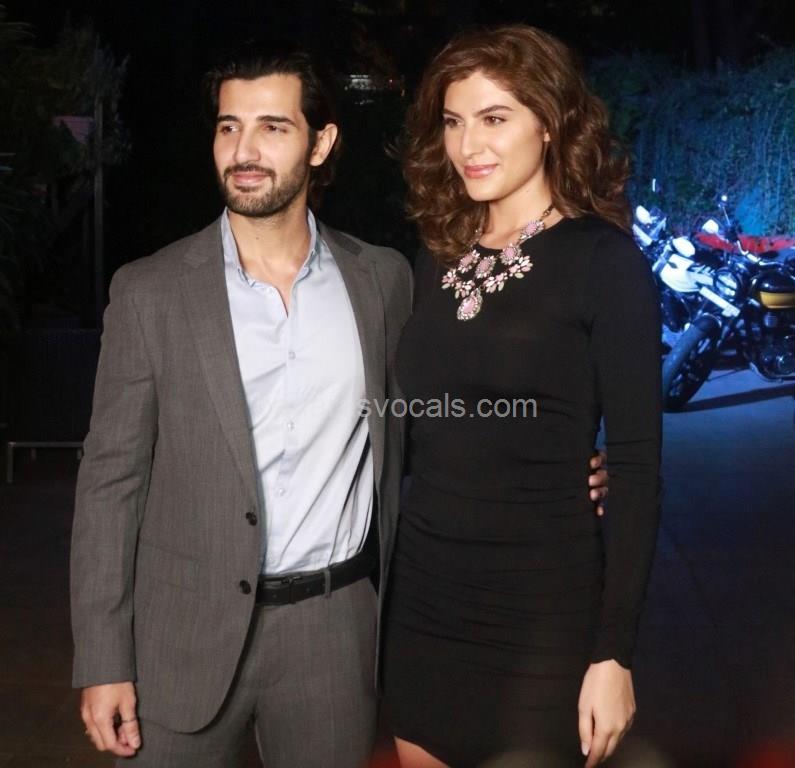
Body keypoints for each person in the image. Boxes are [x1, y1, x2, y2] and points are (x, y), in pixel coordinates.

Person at [70, 40, 610, 768]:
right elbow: (109, 484)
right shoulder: (150, 292)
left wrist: (563, 459)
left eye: (273, 127)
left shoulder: (382, 282)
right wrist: (103, 657)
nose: (244, 151)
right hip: (182, 635)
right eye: (229, 127)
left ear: (321, 144)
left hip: (334, 633)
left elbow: (436, 410)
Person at [383, 25, 662, 768]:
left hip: (541, 609)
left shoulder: (605, 262)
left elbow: (637, 468)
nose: (467, 144)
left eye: (494, 118)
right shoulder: (436, 253)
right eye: (453, 121)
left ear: (548, 122)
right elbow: (425, 422)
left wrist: (614, 653)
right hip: (424, 595)